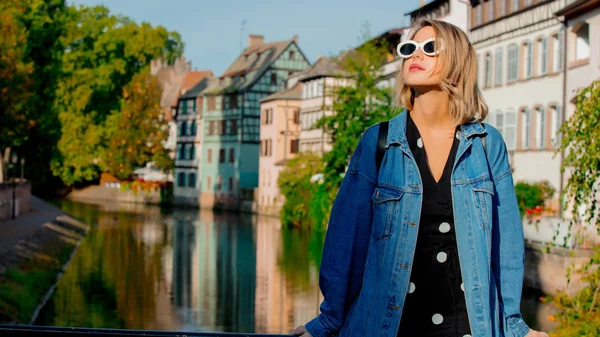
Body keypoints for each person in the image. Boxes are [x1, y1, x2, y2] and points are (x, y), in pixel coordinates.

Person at [292, 19, 549, 337]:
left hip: (468, 327)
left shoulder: (486, 144)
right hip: (388, 327)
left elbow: (505, 246)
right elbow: (346, 240)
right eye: (409, 48)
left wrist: (515, 327)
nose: (416, 55)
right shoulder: (379, 143)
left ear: (456, 62)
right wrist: (327, 322)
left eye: (430, 48)